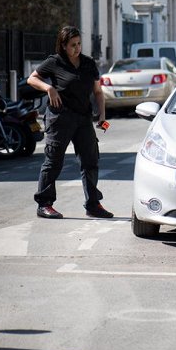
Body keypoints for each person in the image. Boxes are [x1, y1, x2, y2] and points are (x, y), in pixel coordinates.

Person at [27, 25, 113, 219]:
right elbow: (32, 79)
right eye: (73, 45)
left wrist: (102, 116)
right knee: (54, 160)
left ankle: (93, 204)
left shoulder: (88, 64)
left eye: (79, 44)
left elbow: (98, 92)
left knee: (90, 161)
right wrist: (49, 88)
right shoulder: (54, 62)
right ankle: (44, 204)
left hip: (83, 119)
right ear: (63, 45)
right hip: (60, 119)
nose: (77, 48)